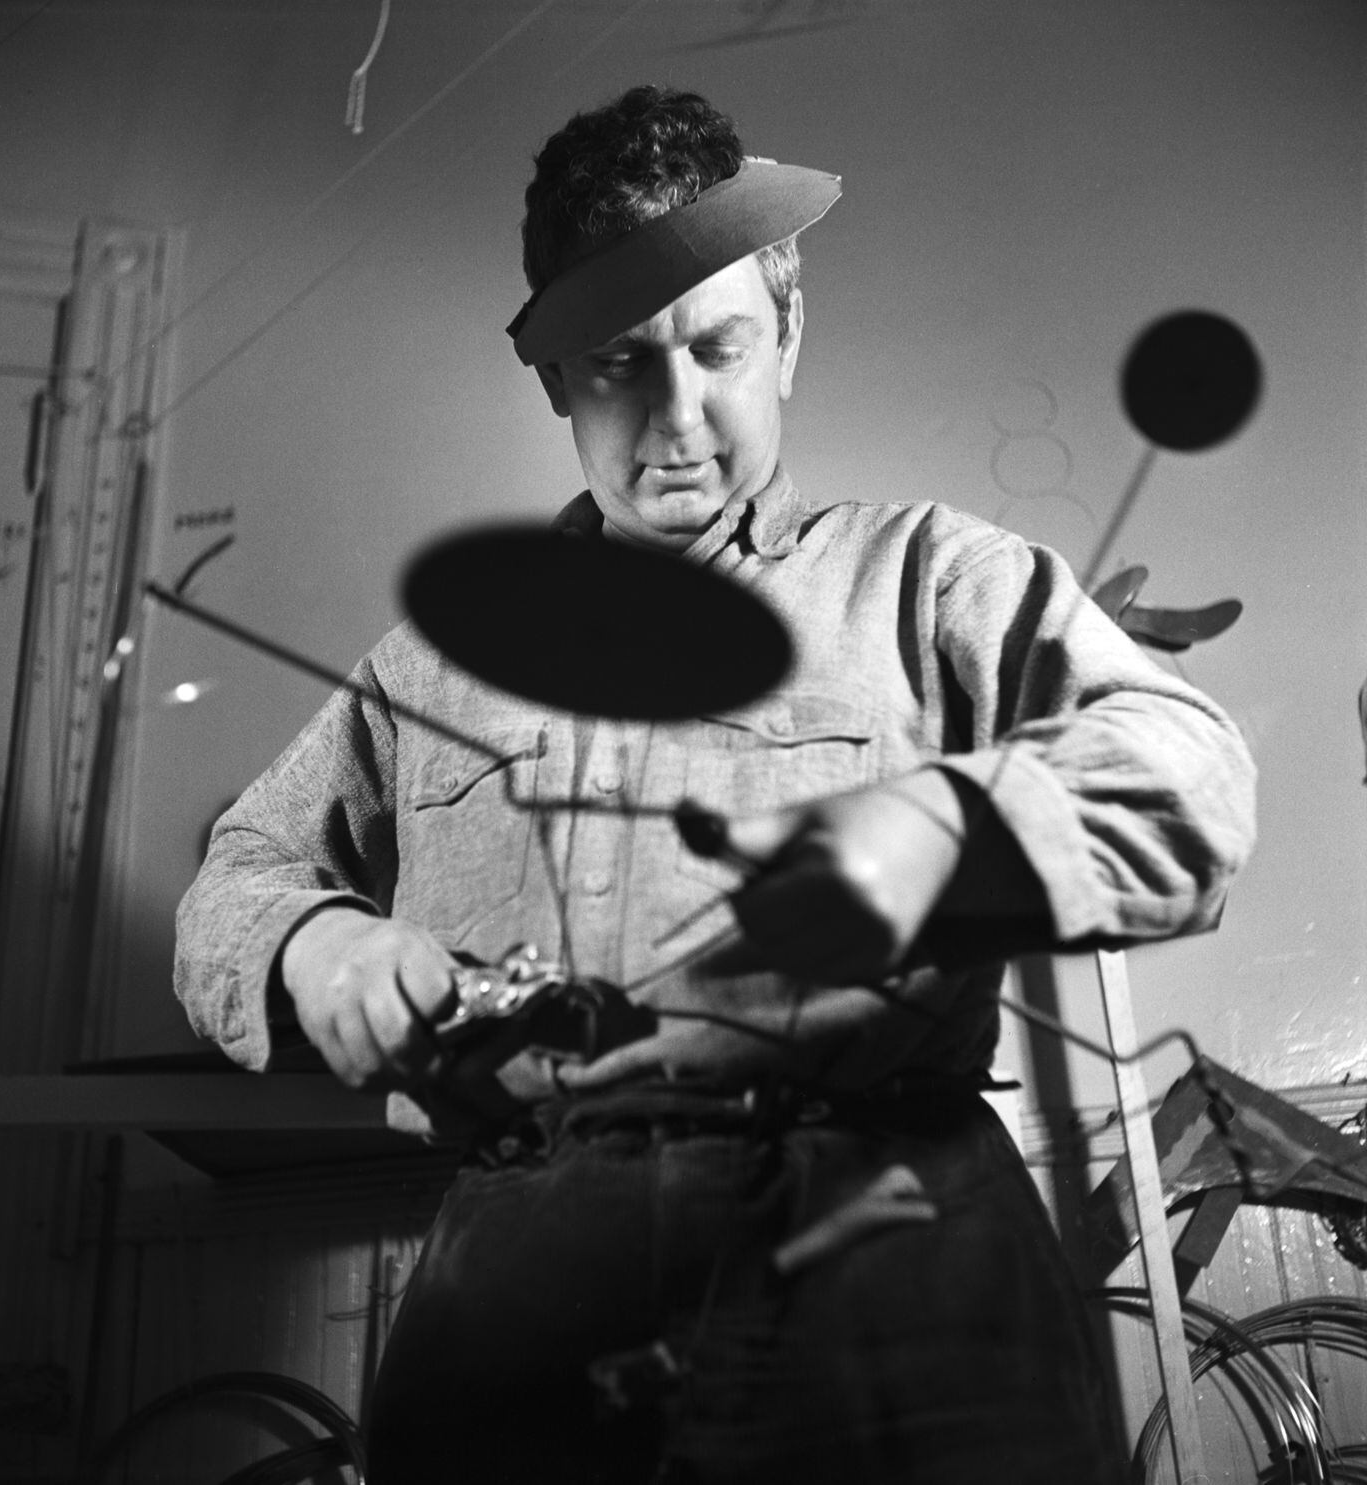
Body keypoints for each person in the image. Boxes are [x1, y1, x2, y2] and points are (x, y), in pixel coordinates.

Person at [175, 85, 1256, 1484]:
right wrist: (314, 947)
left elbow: (1193, 773)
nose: (678, 416)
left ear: (789, 335)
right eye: (622, 362)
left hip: (893, 1270)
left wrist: (947, 826)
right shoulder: (432, 666)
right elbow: (233, 881)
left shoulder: (929, 576)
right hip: (520, 1296)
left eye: (720, 347)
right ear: (558, 375)